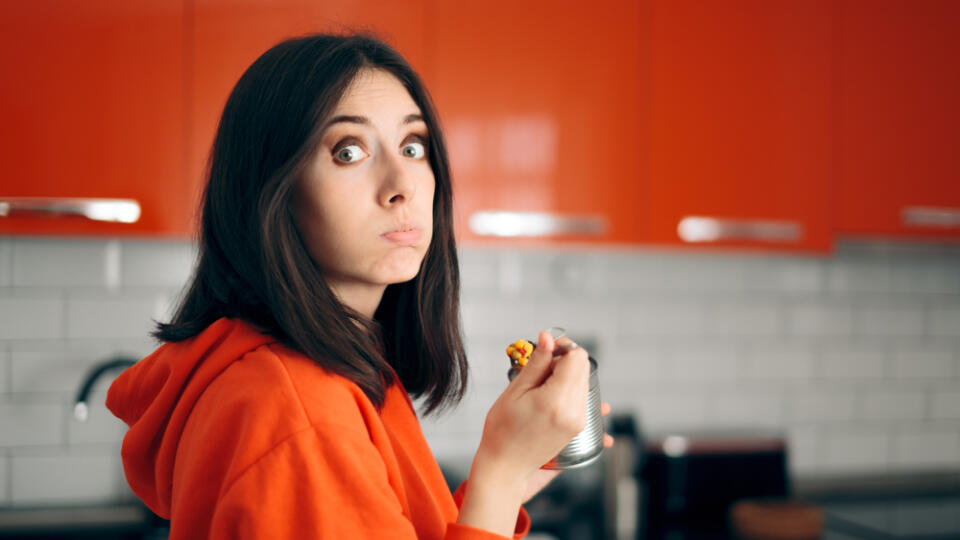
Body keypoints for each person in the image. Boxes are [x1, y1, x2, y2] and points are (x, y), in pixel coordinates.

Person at [107, 33, 610, 539]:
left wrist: (515, 470)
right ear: (272, 191)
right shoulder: (294, 411)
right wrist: (499, 472)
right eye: (348, 151)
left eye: (413, 147)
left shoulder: (337, 370)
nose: (402, 185)